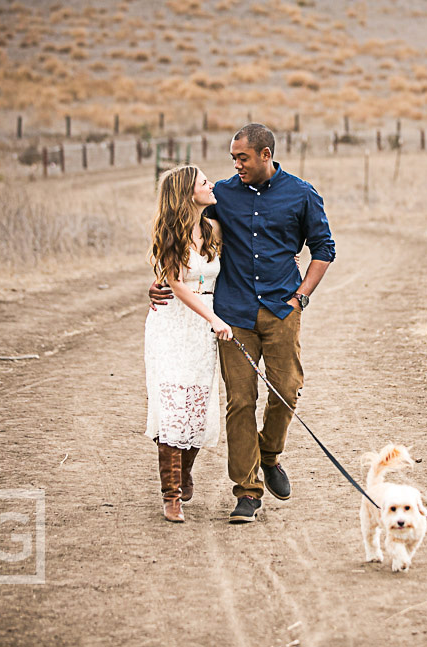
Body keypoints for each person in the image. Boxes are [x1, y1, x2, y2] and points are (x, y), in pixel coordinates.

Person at [150, 123, 335, 524]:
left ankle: (269, 455)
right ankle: (247, 492)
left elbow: (324, 248)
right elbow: (186, 229)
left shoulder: (302, 194)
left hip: (282, 309)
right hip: (234, 313)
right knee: (240, 401)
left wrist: (301, 295)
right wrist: (161, 278)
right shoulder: (223, 194)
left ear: (266, 154)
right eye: (233, 158)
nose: (235, 166)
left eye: (243, 158)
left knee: (287, 389)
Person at [144, 164, 234, 523]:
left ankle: (184, 471)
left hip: (203, 327)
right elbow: (177, 284)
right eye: (203, 182)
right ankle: (172, 496)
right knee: (171, 408)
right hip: (173, 325)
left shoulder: (213, 228)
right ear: (186, 192)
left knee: (198, 407)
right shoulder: (169, 232)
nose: (210, 185)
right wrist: (213, 319)